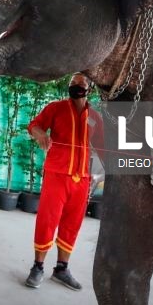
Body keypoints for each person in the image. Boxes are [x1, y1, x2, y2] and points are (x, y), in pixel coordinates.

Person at [24, 72, 103, 290]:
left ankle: (61, 268)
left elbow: (105, 146)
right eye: (72, 83)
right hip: (57, 175)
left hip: (83, 179)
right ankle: (37, 267)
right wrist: (39, 134)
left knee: (73, 224)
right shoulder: (55, 108)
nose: (76, 86)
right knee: (47, 220)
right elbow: (34, 125)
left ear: (90, 89)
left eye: (81, 83)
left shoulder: (96, 115)